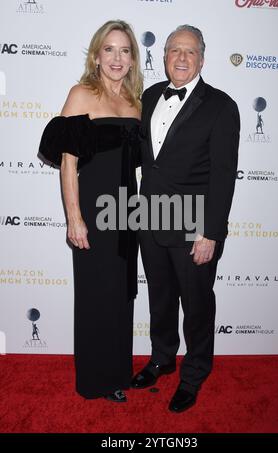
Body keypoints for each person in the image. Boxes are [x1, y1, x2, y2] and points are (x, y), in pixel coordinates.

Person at [131, 25, 240, 412]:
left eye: (189, 52)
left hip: (195, 226)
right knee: (160, 300)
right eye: (174, 50)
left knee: (196, 305)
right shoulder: (147, 96)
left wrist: (210, 233)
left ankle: (193, 375)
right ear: (163, 56)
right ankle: (162, 358)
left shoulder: (221, 106)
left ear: (202, 59)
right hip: (150, 219)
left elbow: (224, 176)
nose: (180, 58)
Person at [39, 20, 142, 402]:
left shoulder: (136, 102)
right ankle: (94, 380)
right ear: (97, 55)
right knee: (96, 294)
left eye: (125, 50)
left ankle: (118, 373)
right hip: (94, 210)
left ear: (133, 60)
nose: (117, 58)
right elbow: (68, 162)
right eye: (109, 49)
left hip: (127, 208)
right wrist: (74, 217)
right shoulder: (82, 94)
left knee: (121, 293)